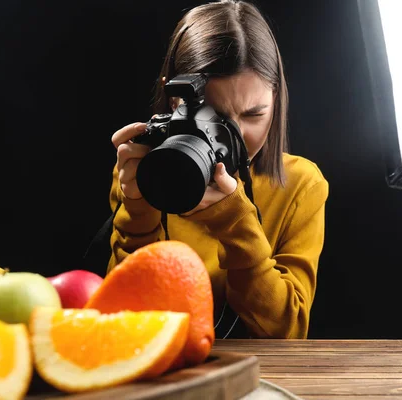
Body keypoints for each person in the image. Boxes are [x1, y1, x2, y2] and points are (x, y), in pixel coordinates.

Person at [107, 0, 329, 339]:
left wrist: (234, 220)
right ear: (175, 98)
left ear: (277, 100)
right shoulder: (145, 170)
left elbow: (286, 331)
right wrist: (139, 214)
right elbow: (121, 319)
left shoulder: (301, 185)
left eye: (254, 115)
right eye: (217, 118)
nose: (237, 135)